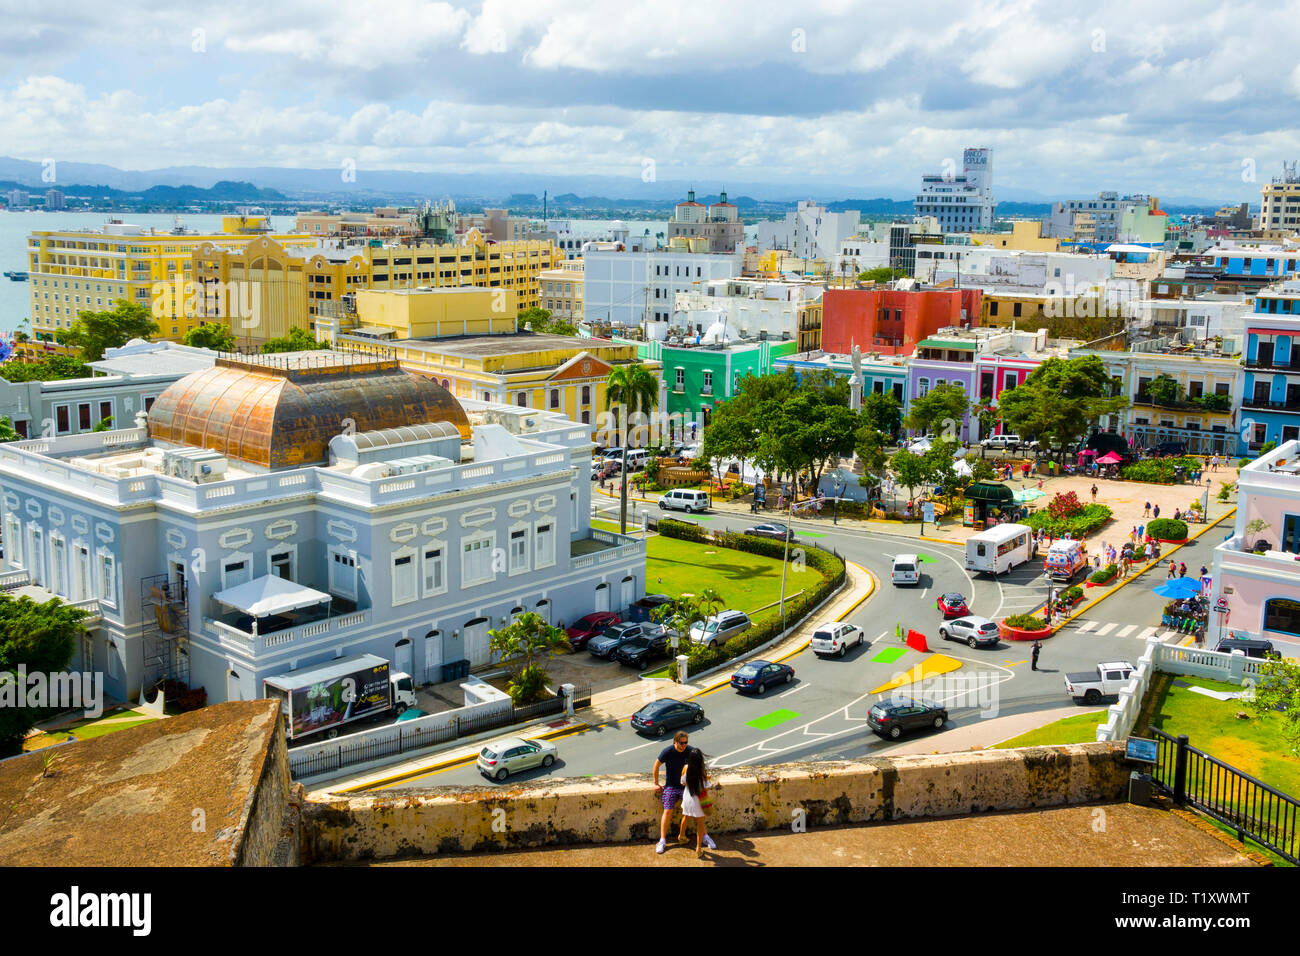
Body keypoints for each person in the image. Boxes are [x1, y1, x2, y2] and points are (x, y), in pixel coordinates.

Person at [653, 732, 694, 854]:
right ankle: (662, 840)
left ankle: (703, 835)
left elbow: (699, 766)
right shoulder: (668, 751)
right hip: (670, 786)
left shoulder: (690, 751)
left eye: (685, 742)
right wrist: (655, 783)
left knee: (694, 808)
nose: (684, 745)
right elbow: (656, 766)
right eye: (681, 743)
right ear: (675, 742)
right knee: (668, 810)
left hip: (685, 787)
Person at [677, 747, 715, 856]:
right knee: (700, 824)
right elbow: (706, 788)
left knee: (686, 816)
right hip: (698, 800)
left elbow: (683, 782)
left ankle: (681, 836)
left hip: (688, 798)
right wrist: (707, 778)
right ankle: (698, 848)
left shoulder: (686, 767)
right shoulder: (702, 771)